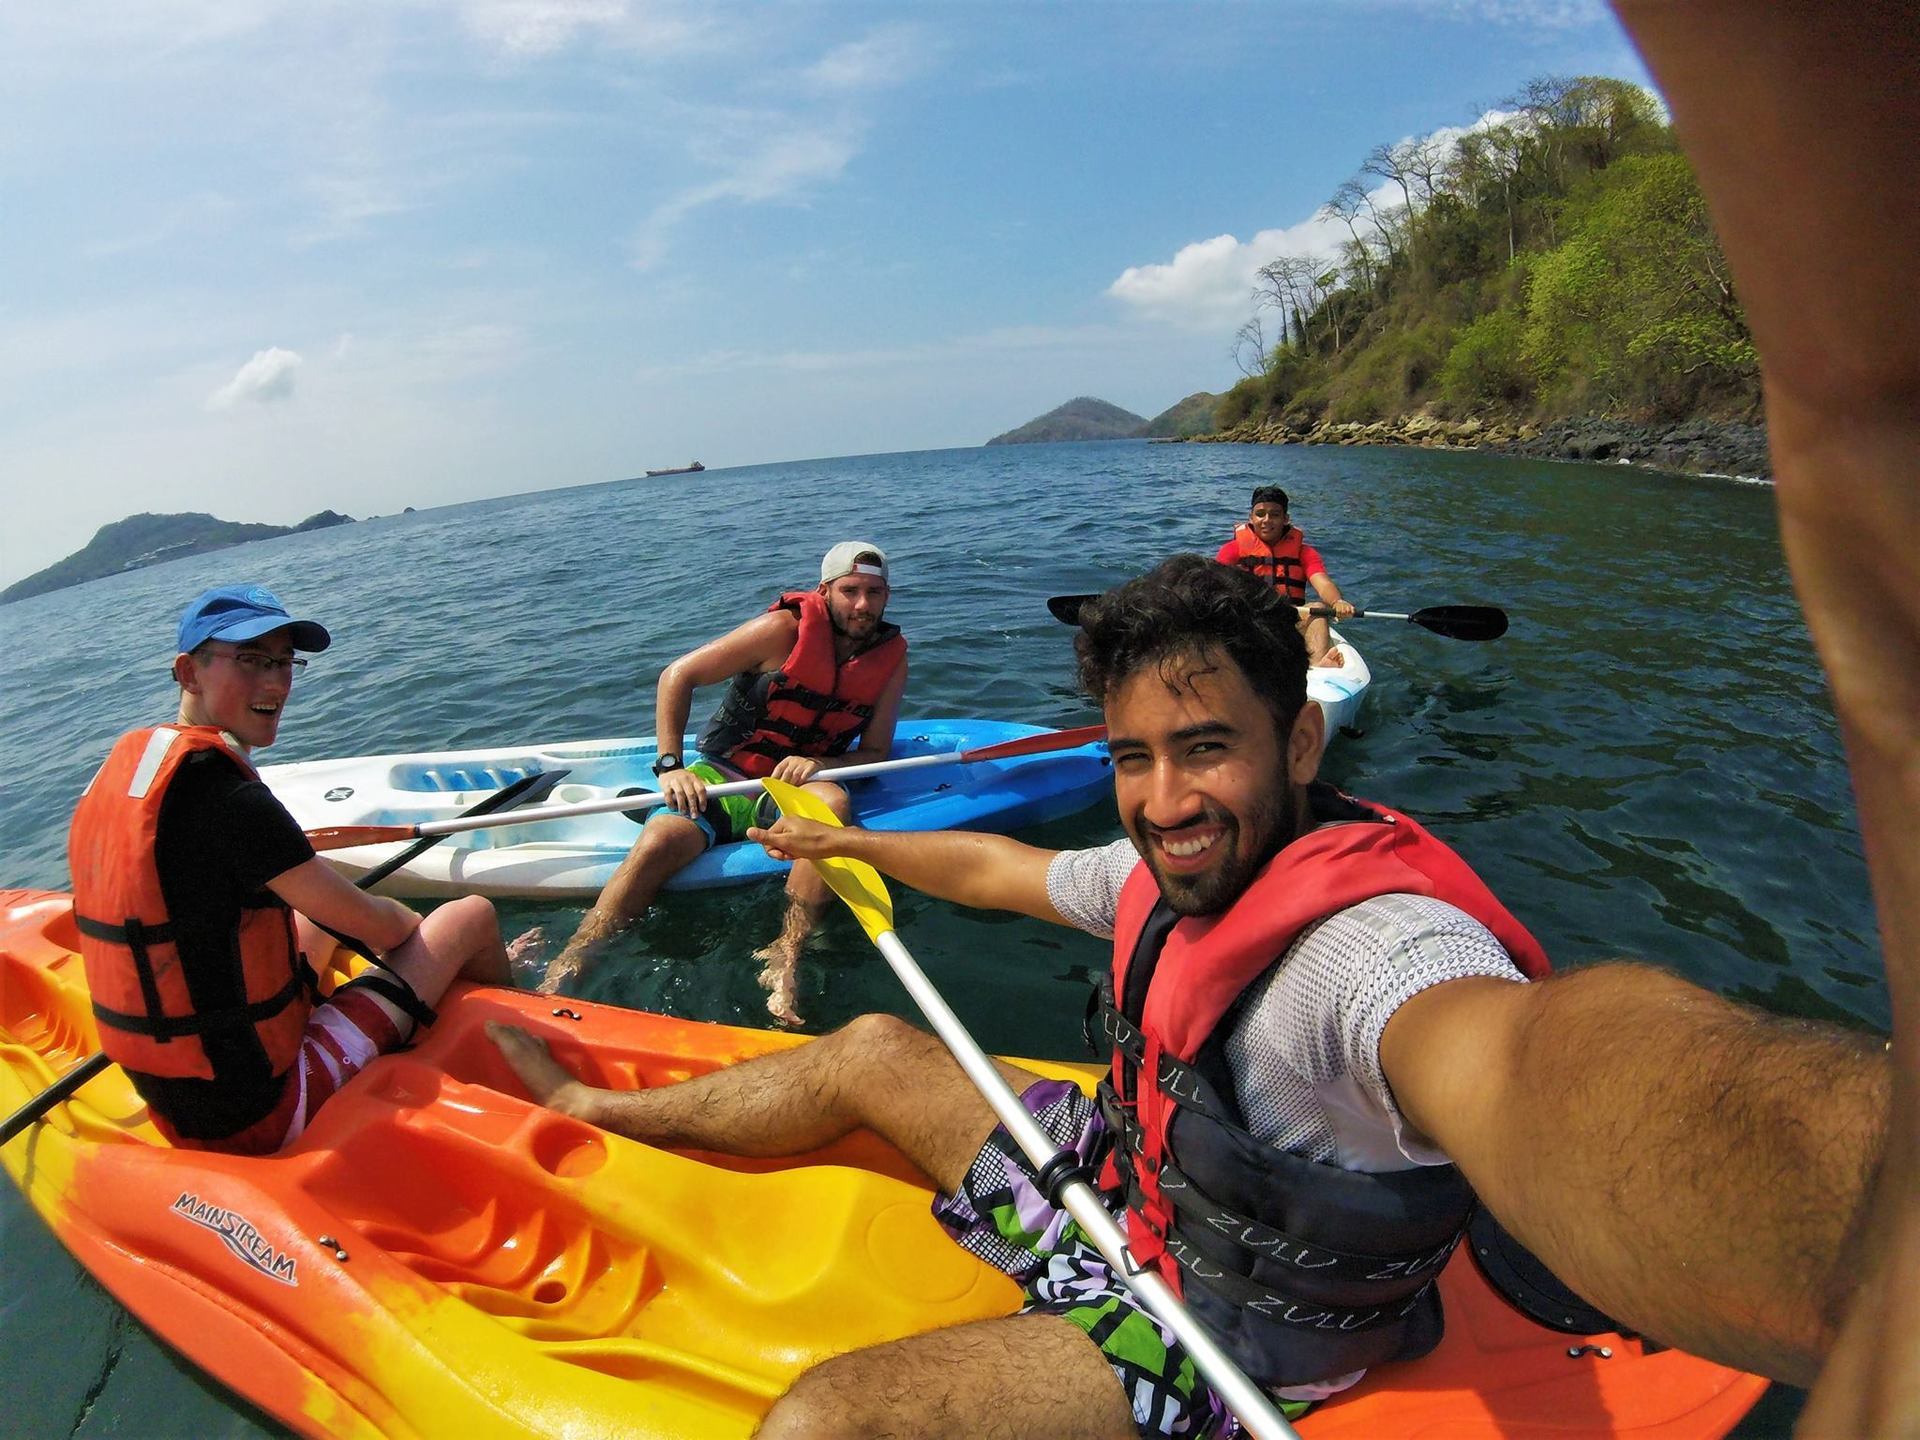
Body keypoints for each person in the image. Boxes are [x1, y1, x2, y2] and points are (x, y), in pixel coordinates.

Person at [491, 556, 1890, 1438]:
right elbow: (999, 870)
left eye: (1208, 749)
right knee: (867, 1044)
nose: (1167, 801)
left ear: (1299, 737)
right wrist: (842, 840)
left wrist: (1865, 1220)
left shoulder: (1377, 956)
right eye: (1135, 755)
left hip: (1233, 1334)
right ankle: (598, 1109)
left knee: (822, 1424)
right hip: (1129, 1189)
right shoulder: (1162, 873)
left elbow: (1544, 1070)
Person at [1606, 4, 1919, 1434]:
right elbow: (1864, 415)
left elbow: (1868, 415)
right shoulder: (1246, 561)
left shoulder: (1293, 567)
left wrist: (1326, 620)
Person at [67, 584, 508, 1156]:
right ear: (189, 672)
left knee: (319, 904)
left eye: (282, 663)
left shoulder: (126, 769)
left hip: (177, 1094)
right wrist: (419, 936)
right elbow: (383, 928)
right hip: (264, 1114)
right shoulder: (229, 799)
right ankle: (516, 1035)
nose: (275, 683)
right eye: (249, 661)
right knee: (468, 917)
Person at [529, 542, 909, 1024]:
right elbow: (677, 676)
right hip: (724, 774)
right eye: (850, 590)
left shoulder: (891, 657)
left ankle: (786, 951)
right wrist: (671, 766)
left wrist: (818, 760)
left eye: (874, 592)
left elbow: (874, 752)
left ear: (887, 596)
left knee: (831, 806)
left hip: (791, 787)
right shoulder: (782, 631)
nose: (862, 604)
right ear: (824, 591)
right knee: (662, 838)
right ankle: (577, 955)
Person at [1213, 485, 1354, 667]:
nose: (1266, 520)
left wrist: (1337, 602)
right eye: (1260, 514)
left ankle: (1318, 667)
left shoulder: (1305, 553)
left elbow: (1322, 581)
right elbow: (1213, 583)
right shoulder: (1232, 550)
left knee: (1318, 609)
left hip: (1290, 622)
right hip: (1250, 623)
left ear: (1285, 519)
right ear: (1251, 518)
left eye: (1274, 515)